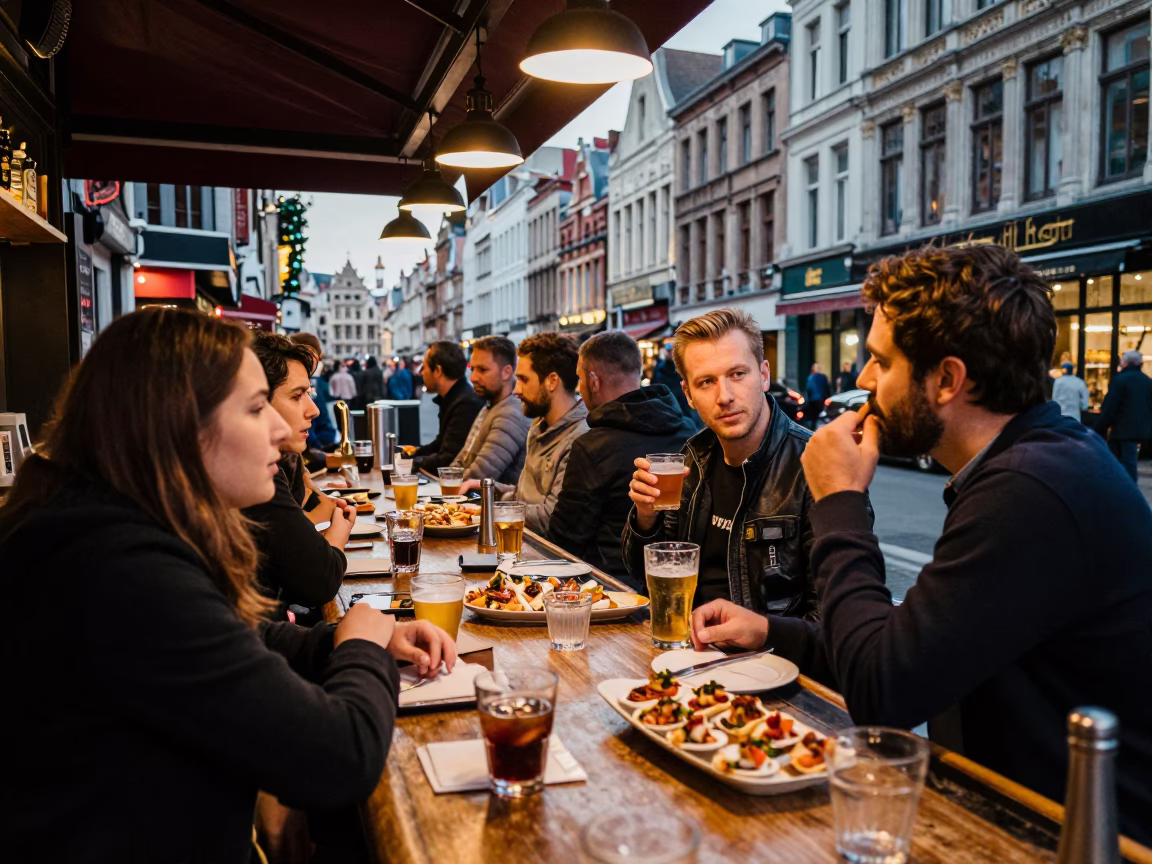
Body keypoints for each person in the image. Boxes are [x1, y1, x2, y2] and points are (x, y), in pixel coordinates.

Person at [690, 246, 1152, 843]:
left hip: (1071, 838)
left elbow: (882, 691)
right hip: (1008, 813)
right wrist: (770, 631)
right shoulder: (1029, 463)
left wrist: (839, 502)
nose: (863, 381)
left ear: (948, 380)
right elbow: (917, 643)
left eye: (881, 361)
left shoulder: (1032, 488)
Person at [0, 308, 456, 862]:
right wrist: (359, 645)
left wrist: (334, 641)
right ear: (182, 425)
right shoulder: (121, 570)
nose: (282, 428)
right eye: (257, 406)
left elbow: (236, 641)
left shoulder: (109, 527)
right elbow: (338, 760)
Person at [624, 309, 821, 616]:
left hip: (769, 659)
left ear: (764, 375)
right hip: (687, 648)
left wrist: (759, 635)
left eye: (737, 374)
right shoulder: (692, 460)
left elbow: (830, 622)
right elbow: (642, 574)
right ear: (688, 395)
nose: (724, 396)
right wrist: (646, 519)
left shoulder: (814, 466)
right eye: (706, 382)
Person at [548, 331, 697, 580]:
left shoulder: (591, 446)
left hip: (605, 587)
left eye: (580, 379)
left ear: (594, 381)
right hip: (675, 575)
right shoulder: (689, 431)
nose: (579, 389)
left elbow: (564, 542)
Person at [243, 330, 354, 616]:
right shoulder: (252, 474)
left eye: (309, 393)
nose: (314, 410)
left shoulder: (277, 467)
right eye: (297, 395)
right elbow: (316, 582)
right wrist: (337, 535)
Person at [485, 332, 588, 535]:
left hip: (546, 558)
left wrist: (494, 508)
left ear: (552, 381)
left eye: (523, 379)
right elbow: (527, 497)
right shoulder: (539, 425)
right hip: (522, 543)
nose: (516, 390)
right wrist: (492, 491)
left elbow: (551, 517)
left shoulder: (579, 439)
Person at [452, 335, 531, 485]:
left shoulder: (511, 415)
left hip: (490, 506)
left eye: (482, 370)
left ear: (507, 372)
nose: (473, 377)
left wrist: (447, 484)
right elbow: (463, 458)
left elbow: (479, 476)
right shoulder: (492, 404)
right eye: (473, 368)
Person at [404, 341, 484, 473]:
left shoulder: (465, 404)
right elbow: (440, 444)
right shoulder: (453, 397)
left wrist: (408, 463)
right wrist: (412, 455)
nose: (421, 373)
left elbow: (448, 458)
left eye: (424, 367)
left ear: (438, 371)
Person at [1097, 349, 1152, 483]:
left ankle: (1127, 489)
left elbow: (1110, 407)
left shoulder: (1120, 380)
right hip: (1141, 428)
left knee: (1124, 460)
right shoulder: (1147, 381)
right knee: (1129, 458)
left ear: (1125, 362)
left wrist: (1100, 427)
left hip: (1122, 429)